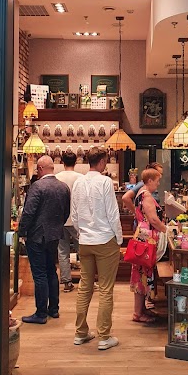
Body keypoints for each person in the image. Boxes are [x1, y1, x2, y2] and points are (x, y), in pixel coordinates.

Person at [71, 147, 122, 351]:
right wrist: (119, 238)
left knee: (85, 287)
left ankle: (80, 332)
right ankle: (104, 336)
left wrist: (82, 232)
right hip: (105, 239)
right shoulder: (105, 182)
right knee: (106, 289)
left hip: (85, 240)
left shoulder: (78, 182)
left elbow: (74, 214)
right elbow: (113, 213)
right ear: (101, 162)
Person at [18, 155, 70, 324]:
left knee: (39, 274)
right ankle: (53, 309)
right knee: (51, 271)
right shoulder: (63, 187)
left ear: (40, 169)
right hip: (54, 235)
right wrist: (57, 226)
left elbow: (28, 212)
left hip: (37, 236)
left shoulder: (37, 187)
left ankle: (41, 313)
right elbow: (66, 212)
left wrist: (22, 231)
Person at [130, 168, 167, 324]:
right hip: (146, 238)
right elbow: (153, 219)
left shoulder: (140, 193)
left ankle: (141, 308)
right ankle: (138, 313)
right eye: (157, 181)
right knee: (142, 274)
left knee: (142, 273)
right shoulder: (147, 196)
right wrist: (166, 230)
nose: (158, 184)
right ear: (150, 180)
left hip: (142, 236)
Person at [56, 151, 81, 293]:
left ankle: (66, 282)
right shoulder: (81, 178)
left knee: (62, 251)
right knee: (83, 251)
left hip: (60, 219)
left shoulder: (57, 177)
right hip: (77, 219)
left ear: (62, 162)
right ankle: (86, 280)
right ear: (76, 162)